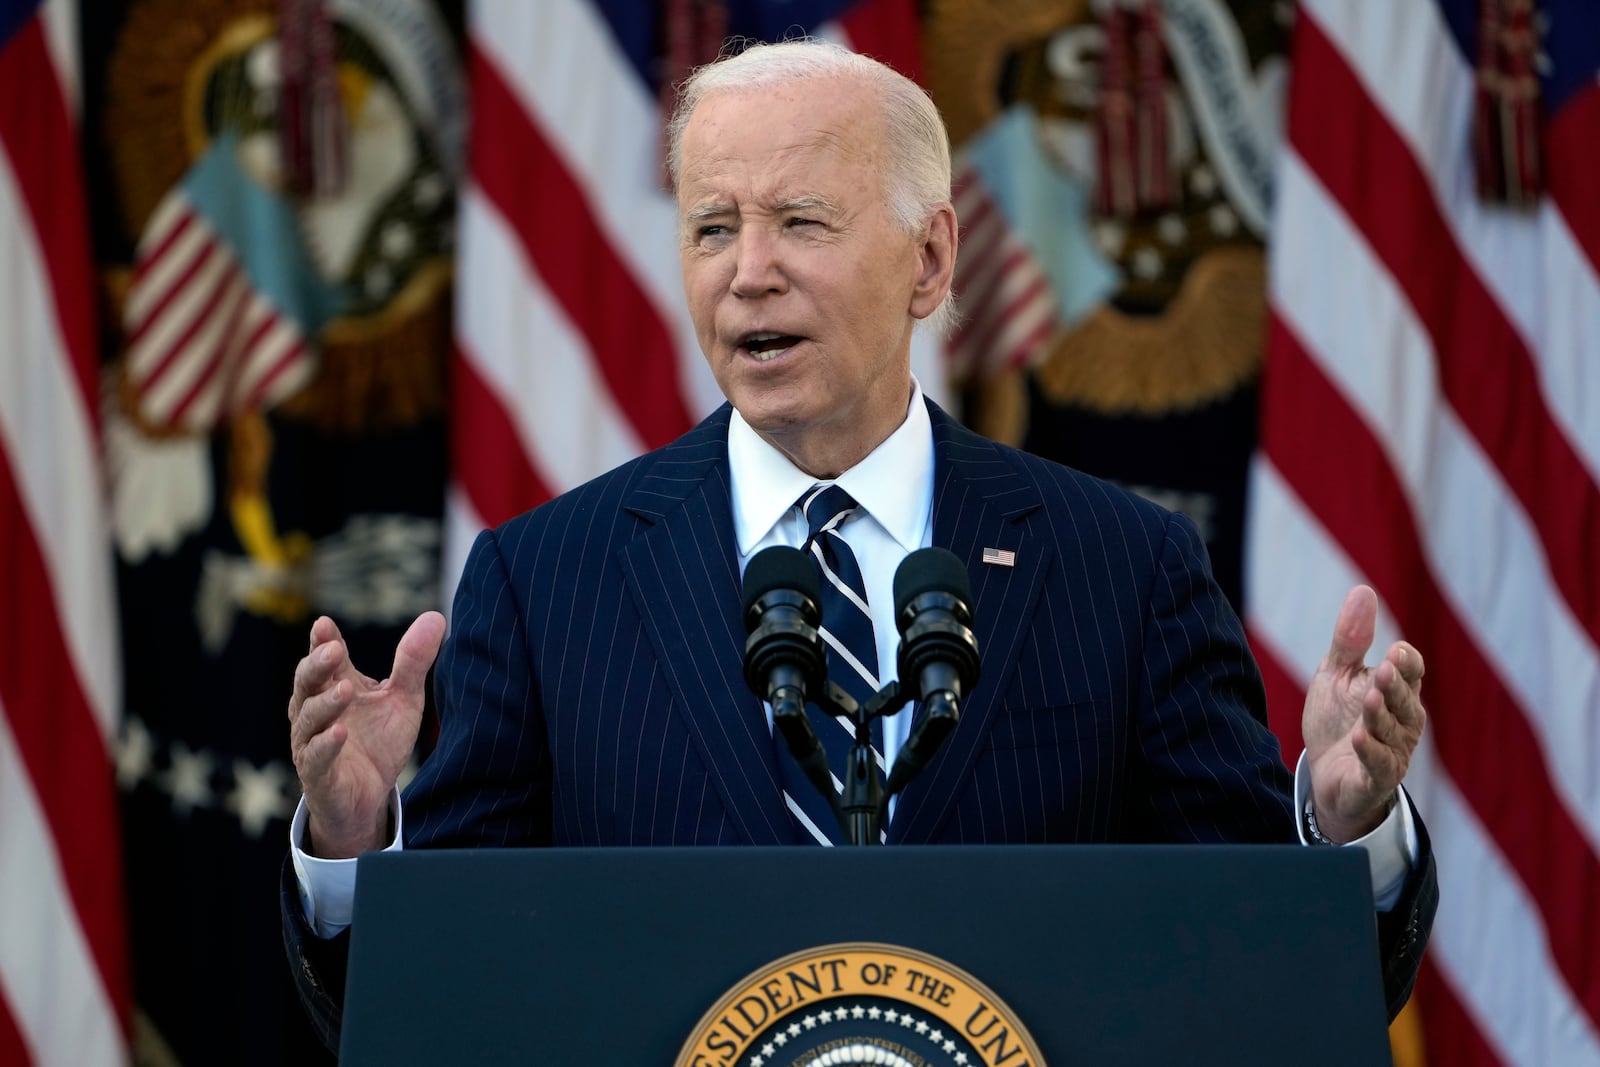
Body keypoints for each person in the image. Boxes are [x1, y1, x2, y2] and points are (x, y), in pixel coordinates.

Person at [282, 39, 1436, 1050]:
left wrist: (1340, 829)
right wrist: (351, 843)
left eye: (800, 222)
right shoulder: (547, 578)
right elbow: (439, 1005)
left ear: (929, 261)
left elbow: (1258, 968)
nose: (748, 272)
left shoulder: (1121, 567)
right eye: (712, 227)